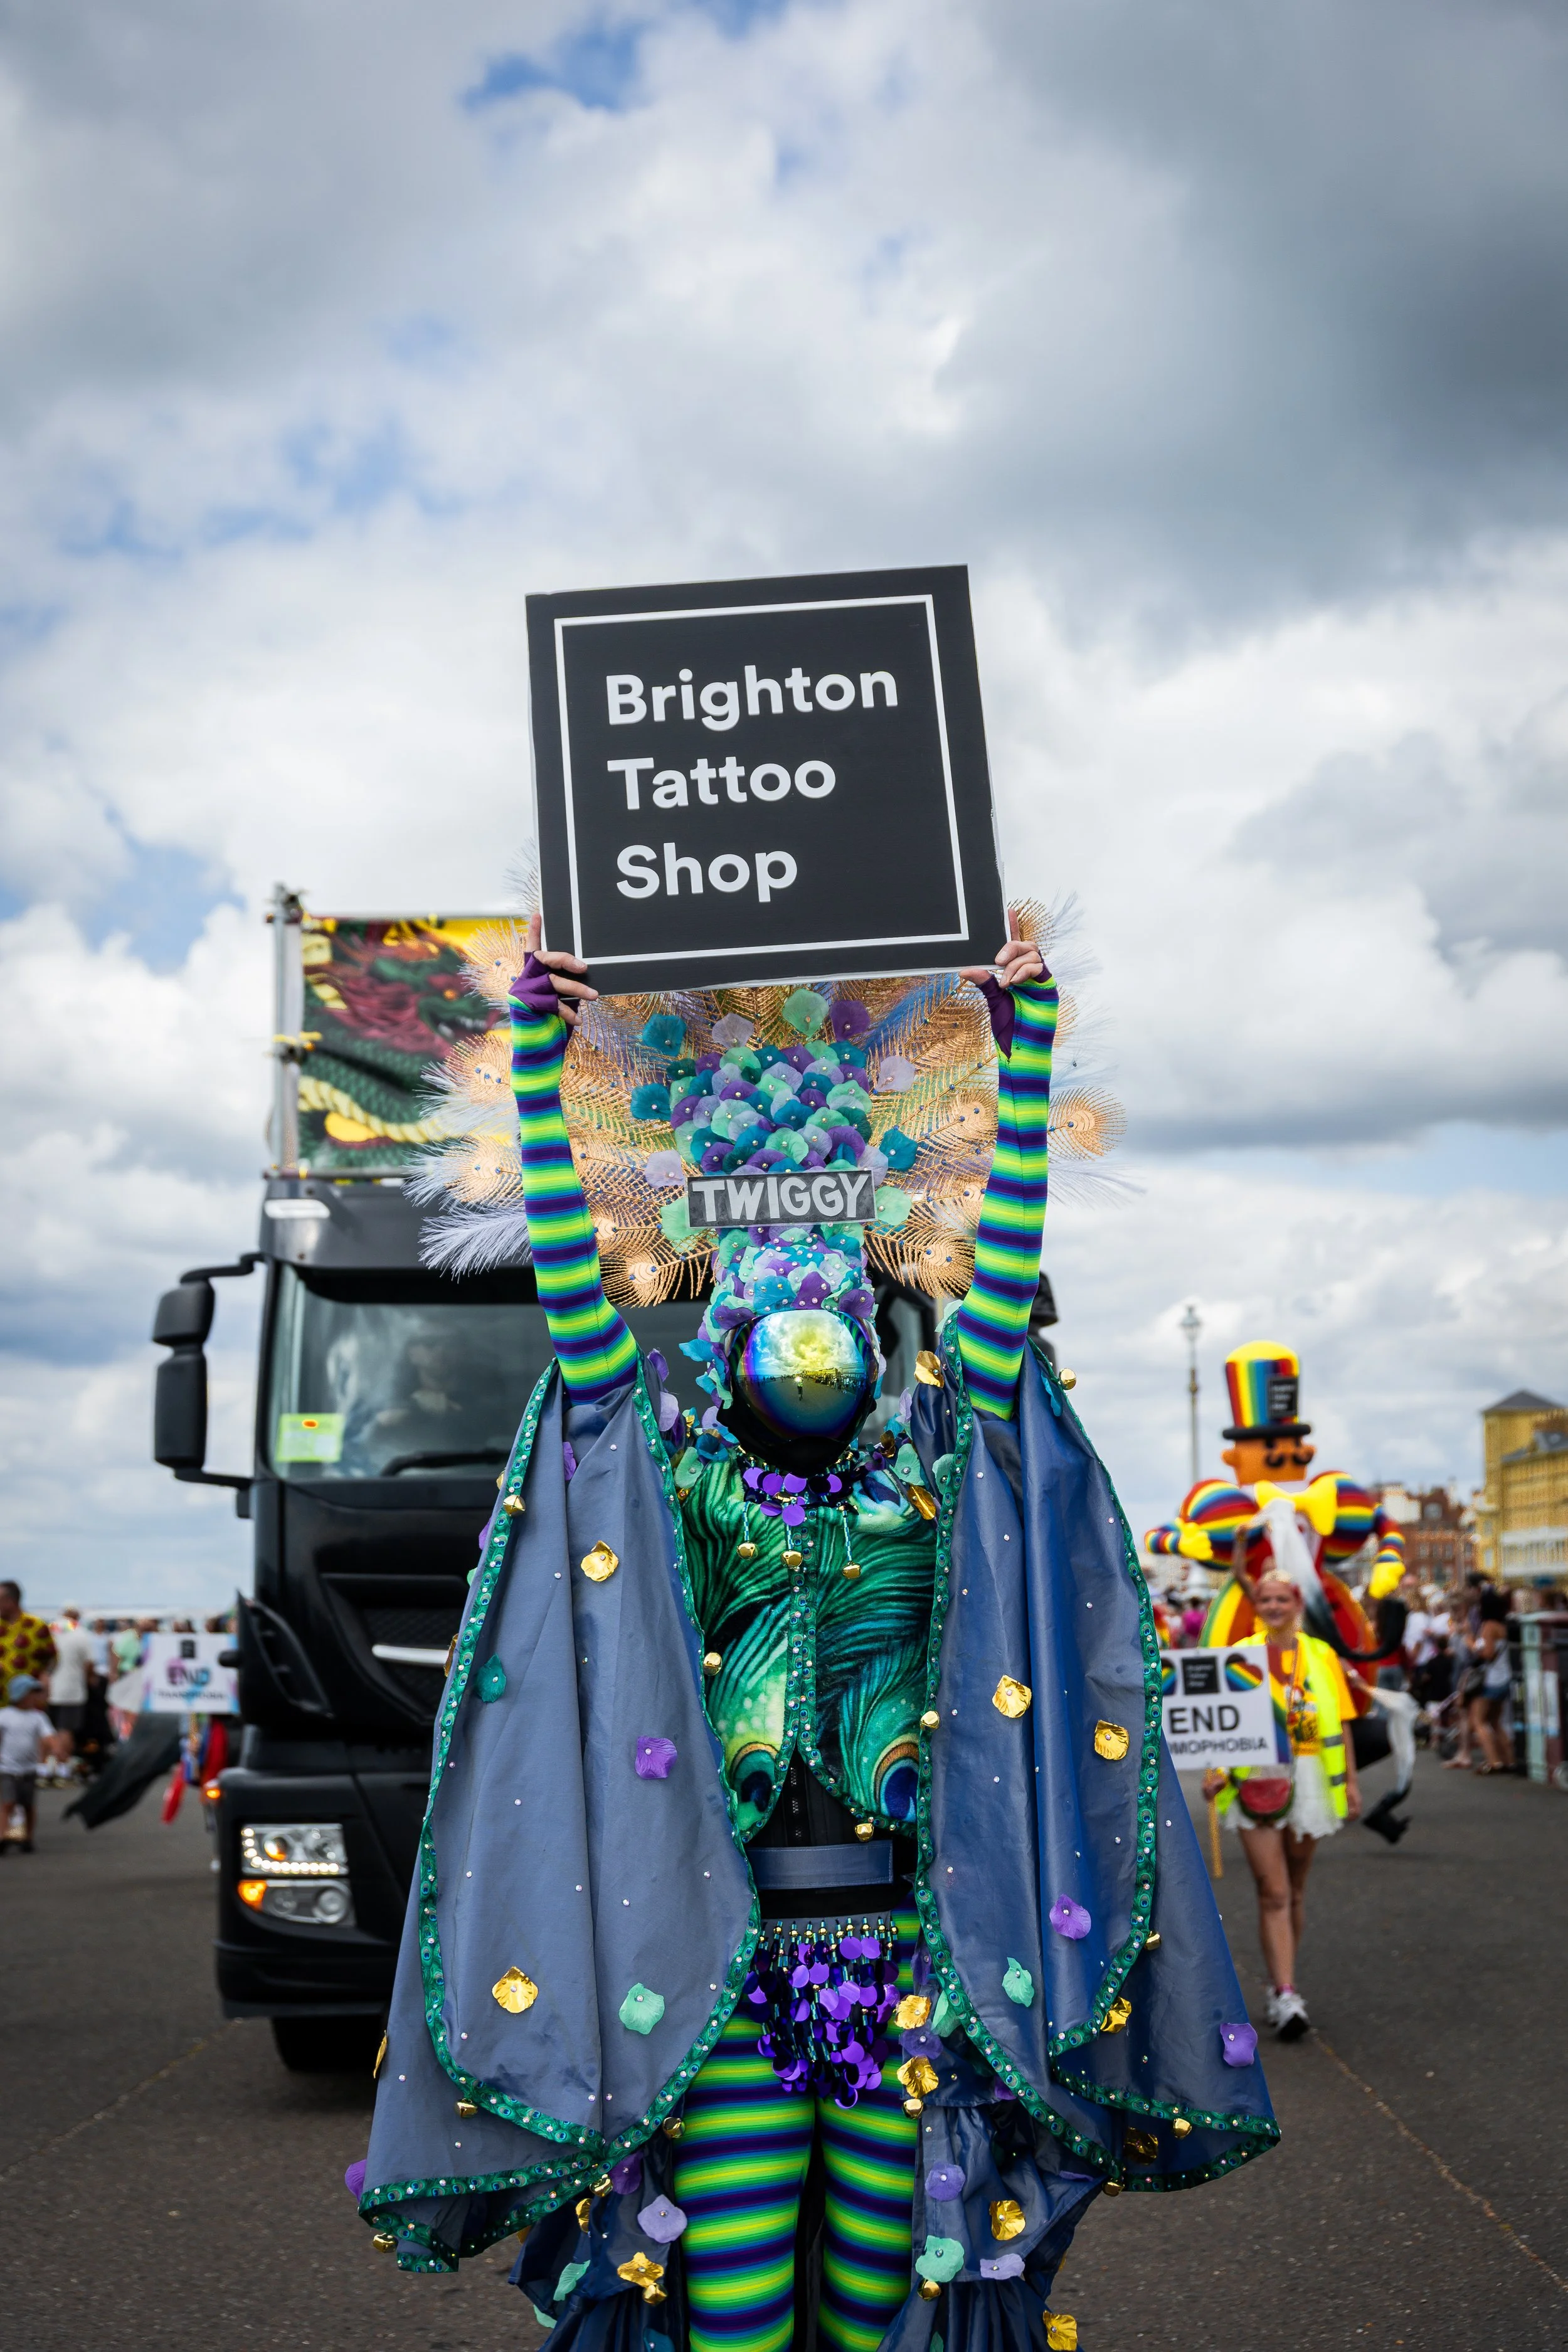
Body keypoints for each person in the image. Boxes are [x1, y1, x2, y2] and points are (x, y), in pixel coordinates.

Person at [351, 912, 1277, 2338]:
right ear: (719, 1335)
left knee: (878, 2278)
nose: (808, 1324)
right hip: (716, 1961)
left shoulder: (933, 1468)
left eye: (835, 1297)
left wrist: (1021, 1062)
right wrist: (542, 1064)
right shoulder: (675, 1473)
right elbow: (574, 1309)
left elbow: (995, 1276)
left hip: (910, 1954)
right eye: (774, 1304)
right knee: (726, 2277)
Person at [1203, 1571, 1361, 2040]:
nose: (1273, 1606)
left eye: (1282, 1599)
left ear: (1297, 1604)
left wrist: (1351, 1782)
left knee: (1294, 1889)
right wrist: (1214, 1770)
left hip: (1311, 1779)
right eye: (1265, 1599)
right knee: (1272, 1891)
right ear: (1258, 1605)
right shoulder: (1239, 1656)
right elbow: (1217, 1722)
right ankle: (1285, 1992)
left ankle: (1283, 1978)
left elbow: (1344, 1722)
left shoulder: (1322, 1655)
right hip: (1255, 1779)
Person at [0, 1673, 63, 1853]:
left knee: (28, 1804)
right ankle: (3, 1835)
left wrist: (56, 1748)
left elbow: (48, 1735)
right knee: (7, 1803)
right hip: (7, 1767)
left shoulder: (38, 1717)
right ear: (20, 1695)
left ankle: (28, 1837)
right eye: (32, 1693)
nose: (35, 1697)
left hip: (28, 1768)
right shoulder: (4, 1716)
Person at [47, 1606, 97, 1766]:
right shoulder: (80, 1633)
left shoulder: (50, 1629)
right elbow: (89, 1663)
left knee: (49, 1728)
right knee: (66, 1728)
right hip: (72, 1689)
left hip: (48, 1688)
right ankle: (63, 1764)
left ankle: (48, 1764)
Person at [1463, 1619, 1513, 1773]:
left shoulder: (1490, 1626)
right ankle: (1509, 1761)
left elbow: (1488, 1653)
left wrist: (1470, 1643)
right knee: (1495, 1721)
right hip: (1505, 1677)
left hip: (1492, 1680)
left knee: (1479, 1721)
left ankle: (1494, 1762)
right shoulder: (1503, 1626)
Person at [0, 1580, 55, 1695]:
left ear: (11, 1601)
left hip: (28, 1699)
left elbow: (52, 1657)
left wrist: (46, 1676)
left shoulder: (36, 1626)